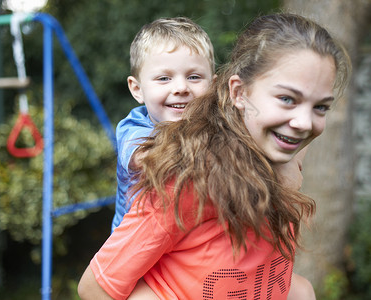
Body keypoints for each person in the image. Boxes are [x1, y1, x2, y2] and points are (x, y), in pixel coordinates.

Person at [79, 13, 351, 299]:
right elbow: (95, 287)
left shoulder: (279, 154)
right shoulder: (185, 177)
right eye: (287, 99)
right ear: (238, 93)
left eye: (320, 107)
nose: (305, 123)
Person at [112, 16, 216, 232]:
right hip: (134, 247)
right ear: (137, 89)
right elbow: (149, 159)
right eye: (164, 79)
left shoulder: (214, 121)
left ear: (213, 86)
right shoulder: (133, 127)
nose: (180, 88)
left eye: (194, 77)